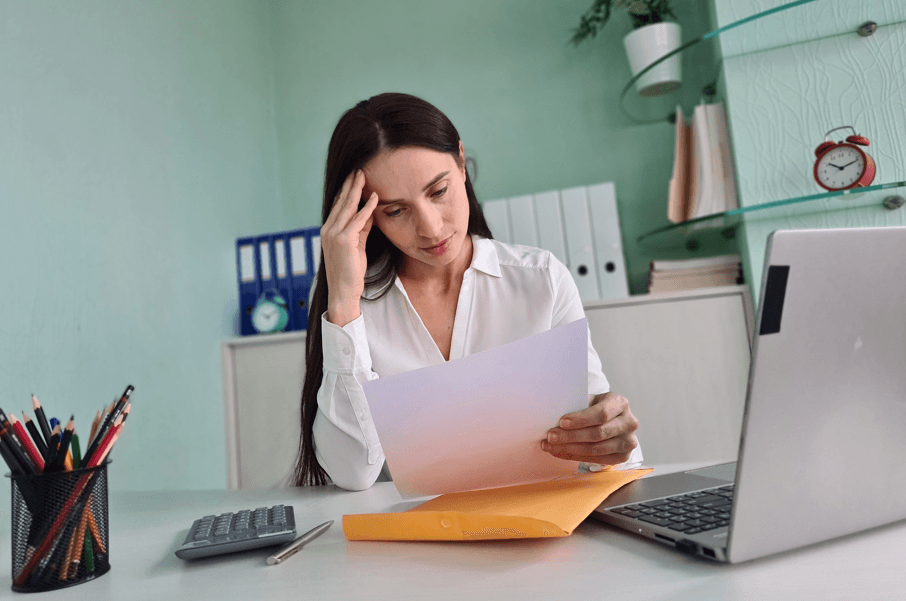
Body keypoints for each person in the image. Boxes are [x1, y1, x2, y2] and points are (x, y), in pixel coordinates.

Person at [293, 92, 641, 490]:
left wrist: (607, 441)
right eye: (395, 211)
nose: (431, 228)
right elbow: (351, 474)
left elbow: (602, 452)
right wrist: (342, 305)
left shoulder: (541, 281)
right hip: (409, 541)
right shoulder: (354, 305)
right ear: (362, 216)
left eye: (438, 191)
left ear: (461, 162)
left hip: (534, 529)